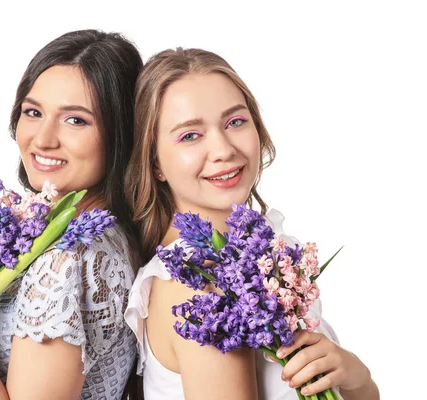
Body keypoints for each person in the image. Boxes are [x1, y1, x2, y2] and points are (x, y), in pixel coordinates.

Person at [124, 47, 379, 399]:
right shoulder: (198, 288)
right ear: (154, 163)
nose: (224, 148)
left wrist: (356, 379)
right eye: (189, 135)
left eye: (235, 122)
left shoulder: (256, 255)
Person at [0, 29, 143, 400]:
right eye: (33, 112)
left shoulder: (70, 259)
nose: (42, 138)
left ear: (122, 134)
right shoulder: (104, 238)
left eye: (76, 120)